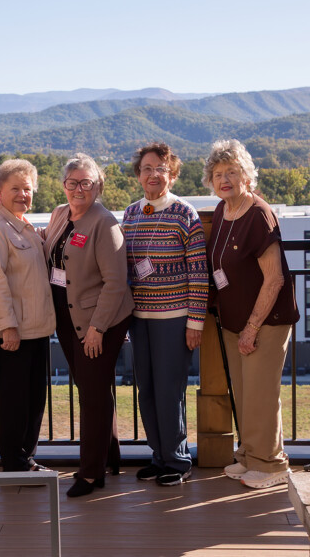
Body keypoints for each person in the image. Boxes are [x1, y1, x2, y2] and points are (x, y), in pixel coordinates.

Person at [203, 139, 299, 489]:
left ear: (247, 176)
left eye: (232, 172)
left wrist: (251, 327)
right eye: (218, 173)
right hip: (233, 321)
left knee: (261, 394)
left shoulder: (258, 214)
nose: (224, 179)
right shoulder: (222, 210)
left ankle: (272, 465)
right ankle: (249, 456)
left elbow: (274, 279)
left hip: (265, 322)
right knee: (244, 393)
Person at [40, 154, 134, 497]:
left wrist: (97, 329)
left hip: (100, 320)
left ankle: (91, 473)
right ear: (64, 185)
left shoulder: (105, 223)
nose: (79, 189)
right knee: (90, 388)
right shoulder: (59, 214)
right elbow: (52, 252)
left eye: (86, 183)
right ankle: (109, 455)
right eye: (72, 182)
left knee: (92, 395)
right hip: (68, 316)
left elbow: (115, 283)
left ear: (99, 186)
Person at [122, 142, 208, 486]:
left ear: (171, 173)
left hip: (175, 318)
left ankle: (177, 459)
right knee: (146, 389)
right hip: (139, 318)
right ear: (139, 174)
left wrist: (195, 321)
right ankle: (157, 456)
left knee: (170, 389)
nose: (153, 174)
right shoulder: (130, 214)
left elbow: (199, 271)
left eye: (160, 168)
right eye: (146, 168)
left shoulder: (185, 213)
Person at [0, 159, 55, 472]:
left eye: (28, 188)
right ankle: (15, 462)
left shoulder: (25, 227)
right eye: (15, 188)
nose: (23, 194)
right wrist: (7, 327)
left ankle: (26, 459)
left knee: (34, 399)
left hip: (36, 329)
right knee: (14, 401)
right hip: (13, 331)